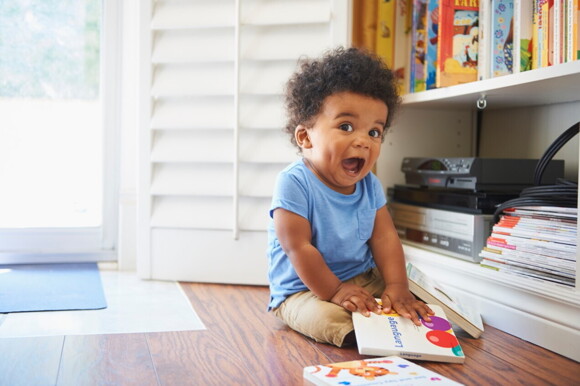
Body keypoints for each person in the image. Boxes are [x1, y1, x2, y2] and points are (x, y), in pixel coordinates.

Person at [267, 47, 433, 347]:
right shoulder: (293, 183)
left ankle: (386, 314)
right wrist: (335, 292)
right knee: (328, 320)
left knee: (415, 294)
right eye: (346, 127)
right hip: (303, 289)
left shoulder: (370, 184)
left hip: (363, 277)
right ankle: (364, 325)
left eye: (374, 132)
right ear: (305, 137)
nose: (363, 141)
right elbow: (298, 248)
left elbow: (385, 239)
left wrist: (396, 285)